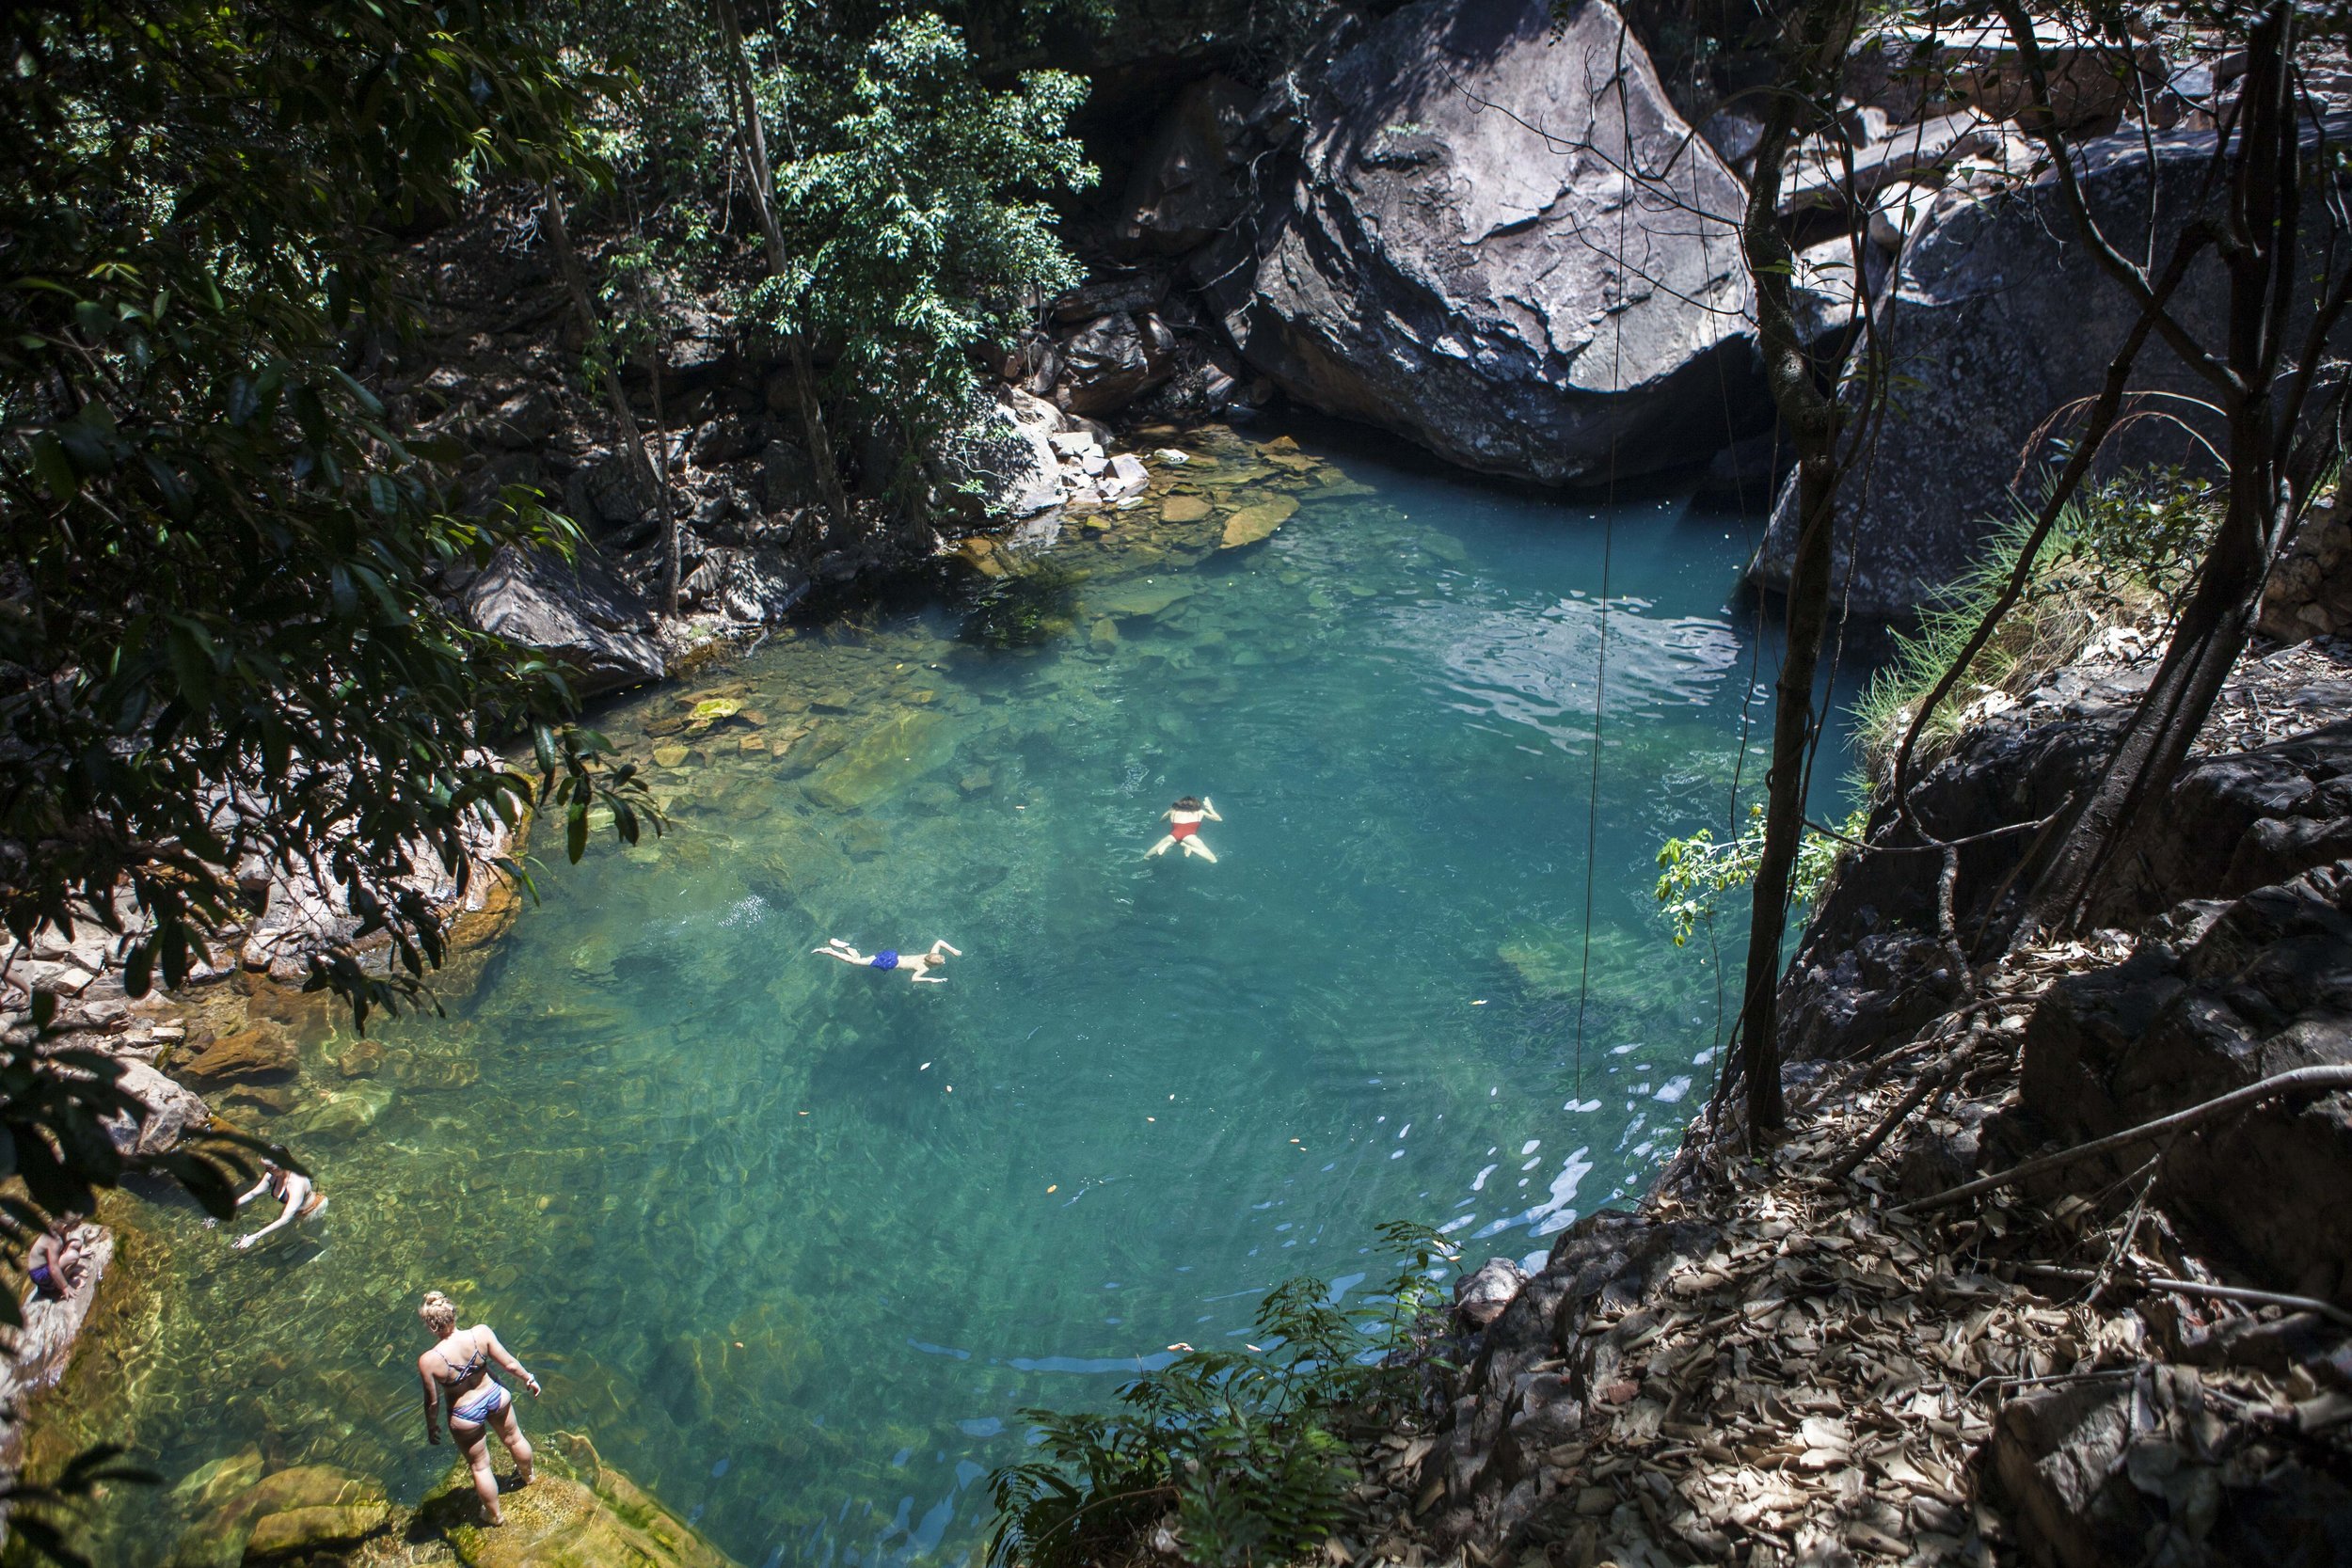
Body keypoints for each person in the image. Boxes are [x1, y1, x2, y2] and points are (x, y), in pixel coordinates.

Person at [416, 1289, 540, 1526]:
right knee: (514, 1438)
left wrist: (432, 1426)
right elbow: (510, 1365)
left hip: (465, 1414)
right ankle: (529, 1476)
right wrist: (529, 1379)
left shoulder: (429, 1360)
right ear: (453, 1313)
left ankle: (494, 1515)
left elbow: (432, 1402)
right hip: (495, 1395)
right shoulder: (481, 1333)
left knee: (481, 1466)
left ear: (431, 1327)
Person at [231, 1159, 326, 1250]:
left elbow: (285, 1219)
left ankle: (327, 1247)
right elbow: (253, 1193)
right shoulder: (272, 1174)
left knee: (316, 1234)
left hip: (311, 1209)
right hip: (294, 1209)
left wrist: (254, 1237)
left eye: (269, 1167)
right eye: (266, 1167)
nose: (267, 1170)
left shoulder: (297, 1184)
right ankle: (296, 1243)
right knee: (283, 1233)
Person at [812, 937, 961, 984]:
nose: (944, 963)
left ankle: (846, 946)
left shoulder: (930, 954)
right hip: (889, 963)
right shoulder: (924, 968)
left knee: (861, 958)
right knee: (855, 962)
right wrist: (932, 980)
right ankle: (830, 951)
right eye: (942, 962)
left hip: (892, 955)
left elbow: (940, 941)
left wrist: (953, 950)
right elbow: (914, 979)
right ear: (932, 964)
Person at [1146, 796, 1223, 862]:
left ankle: (1170, 844)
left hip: (1173, 835)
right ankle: (1190, 848)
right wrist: (1210, 808)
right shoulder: (1200, 812)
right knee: (1213, 859)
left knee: (1146, 856)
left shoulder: (1173, 811)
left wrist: (1169, 814)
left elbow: (1162, 820)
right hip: (1190, 837)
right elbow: (1218, 819)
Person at [25, 1218, 85, 1301]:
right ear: (65, 1227)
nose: (78, 1226)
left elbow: (63, 1248)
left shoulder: (58, 1231)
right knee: (73, 1256)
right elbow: (53, 1269)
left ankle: (63, 1276)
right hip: (40, 1273)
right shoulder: (54, 1241)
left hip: (47, 1266)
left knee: (76, 1244)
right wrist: (65, 1287)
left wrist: (81, 1254)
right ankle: (58, 1286)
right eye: (75, 1226)